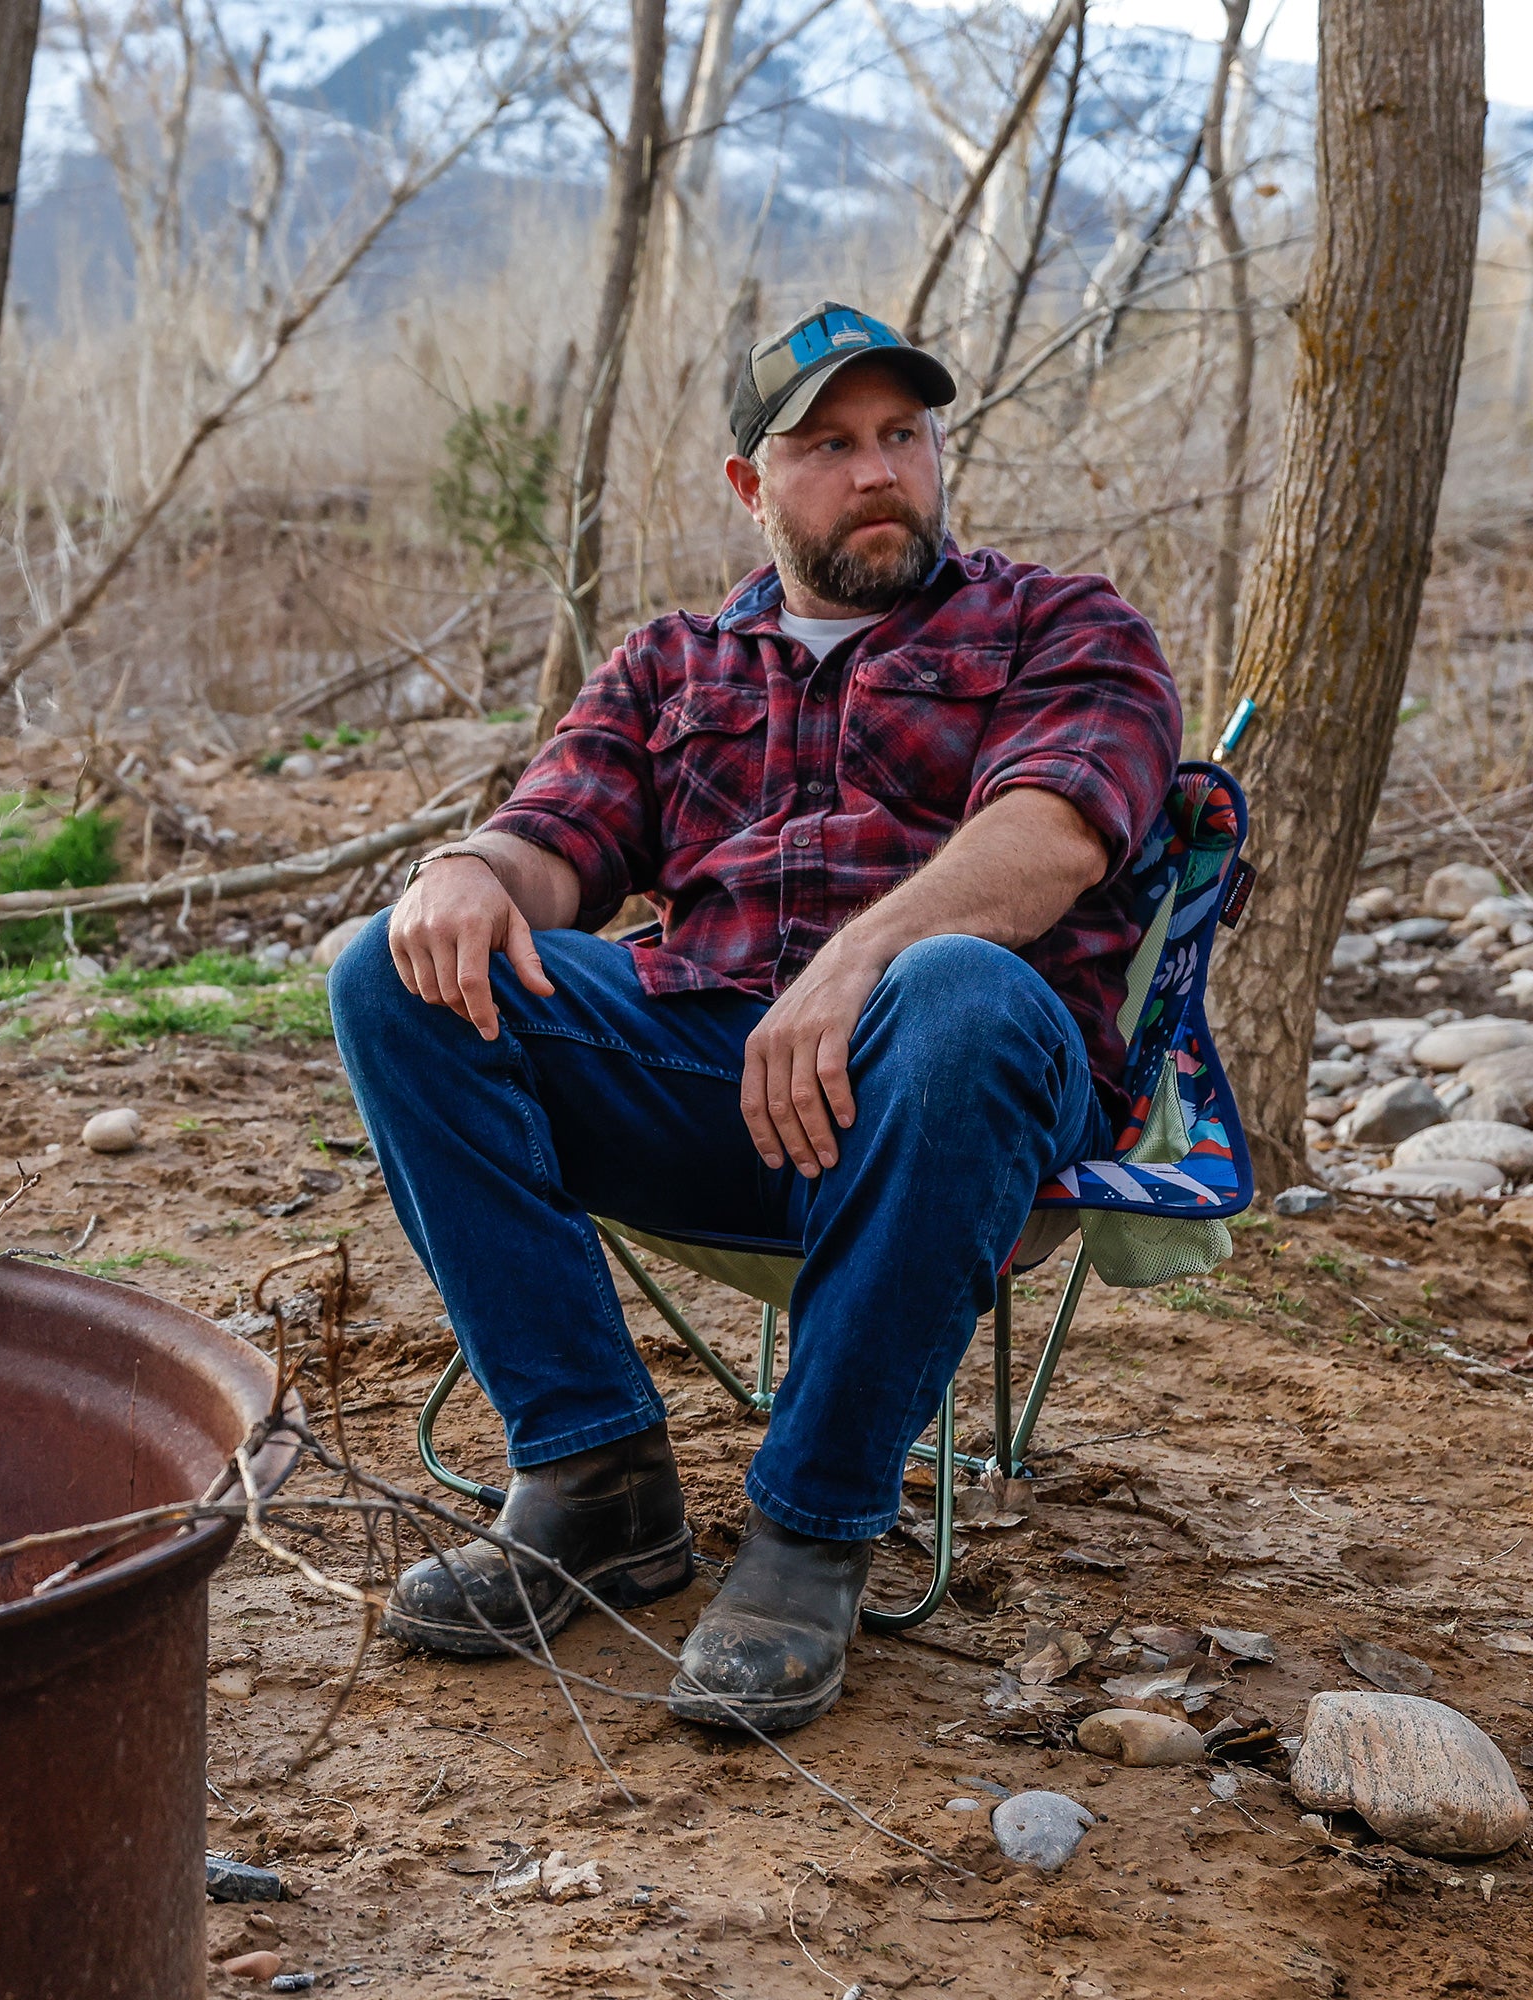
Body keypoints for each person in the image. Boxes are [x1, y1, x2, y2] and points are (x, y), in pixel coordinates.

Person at [329, 300, 1182, 1731]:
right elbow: (559, 837)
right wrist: (465, 869)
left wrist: (857, 964)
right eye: (829, 444)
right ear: (751, 483)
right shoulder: (673, 664)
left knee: (957, 989)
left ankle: (809, 1530)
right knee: (388, 973)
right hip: (705, 1076)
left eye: (903, 435)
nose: (877, 472)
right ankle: (596, 1477)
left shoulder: (1059, 623)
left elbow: (1058, 834)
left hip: (948, 1099)